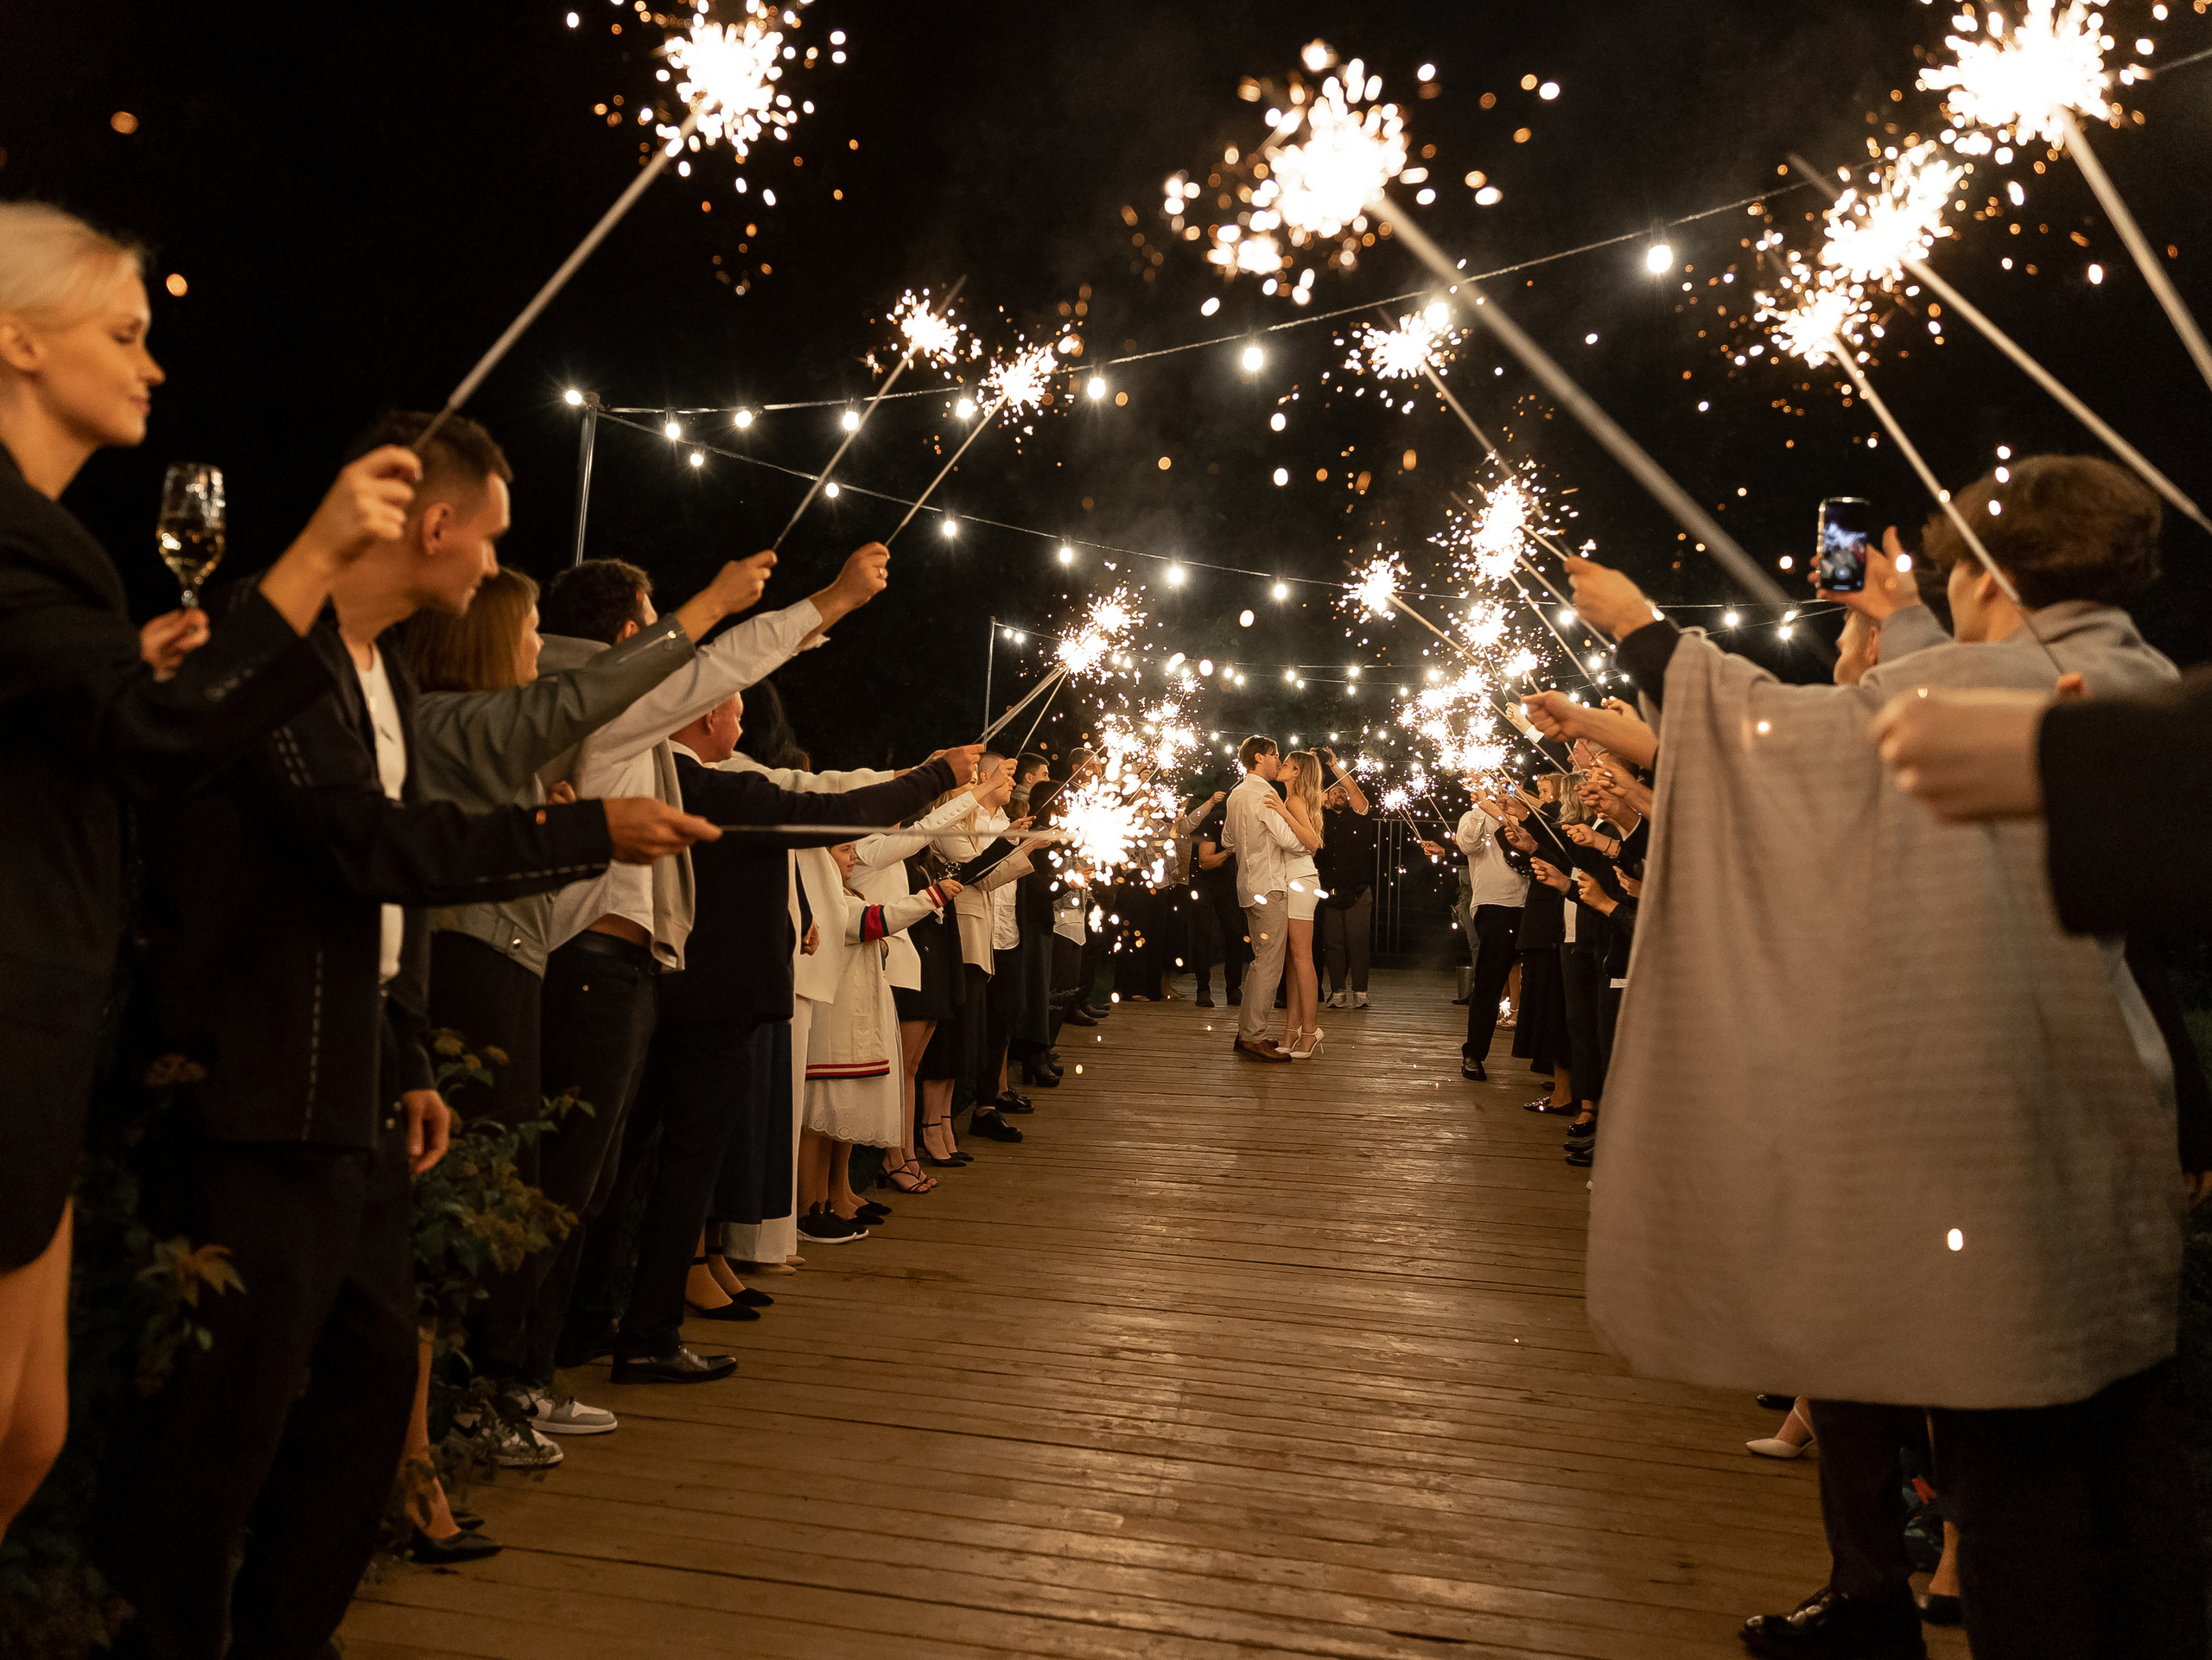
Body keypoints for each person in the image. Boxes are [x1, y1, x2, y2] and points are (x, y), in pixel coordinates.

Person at [1547, 455, 2203, 1660]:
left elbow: (1789, 740)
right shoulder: (2131, 675)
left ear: (1996, 583)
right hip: (2059, 1116)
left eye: (1956, 580)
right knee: (2070, 1446)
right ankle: (1872, 1590)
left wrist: (1640, 629)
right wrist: (1895, 618)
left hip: (2008, 1132)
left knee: (2037, 1490)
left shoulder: (2034, 680)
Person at [104, 407, 714, 1660]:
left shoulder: (384, 669)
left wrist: (413, 1050)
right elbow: (366, 847)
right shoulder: (283, 667)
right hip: (259, 1089)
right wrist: (583, 832)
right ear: (434, 525)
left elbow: (387, 909)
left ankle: (285, 1634)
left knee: (374, 1383)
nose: (495, 568)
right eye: (488, 538)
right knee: (231, 1420)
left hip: (361, 1088)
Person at [0, 203, 424, 1529]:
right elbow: (151, 742)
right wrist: (314, 555)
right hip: (9, 1024)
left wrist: (138, 669)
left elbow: (109, 727)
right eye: (123, 333)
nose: (153, 364)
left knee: (28, 1428)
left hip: (43, 1042)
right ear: (18, 341)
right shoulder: (10, 533)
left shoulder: (45, 547)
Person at [401, 550, 772, 1460]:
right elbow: (700, 670)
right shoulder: (520, 719)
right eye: (524, 632)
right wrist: (753, 602)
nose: (536, 647)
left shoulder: (534, 739)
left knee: (575, 1182)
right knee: (537, 1186)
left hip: (547, 960)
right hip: (526, 965)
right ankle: (489, 1386)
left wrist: (561, 824)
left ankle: (515, 1378)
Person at [537, 546, 886, 1368]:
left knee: (597, 1175)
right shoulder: (599, 703)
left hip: (619, 968)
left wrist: (819, 621)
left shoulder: (593, 708)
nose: (673, 637)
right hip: (595, 963)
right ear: (631, 633)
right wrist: (820, 600)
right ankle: (535, 1365)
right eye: (658, 620)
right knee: (574, 1181)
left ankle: (577, 1332)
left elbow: (722, 675)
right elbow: (720, 663)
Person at [567, 696, 974, 1379]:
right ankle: (646, 1331)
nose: (743, 721)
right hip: (708, 1001)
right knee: (679, 1165)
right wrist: (934, 776)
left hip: (678, 993)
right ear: (704, 720)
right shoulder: (697, 781)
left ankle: (594, 1318)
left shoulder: (688, 776)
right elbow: (825, 808)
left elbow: (823, 790)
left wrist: (925, 773)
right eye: (734, 708)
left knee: (632, 1159)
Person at [1223, 735, 1304, 1062]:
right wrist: (1298, 828)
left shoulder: (1236, 794)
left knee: (1261, 959)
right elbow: (1291, 842)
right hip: (1270, 885)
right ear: (1260, 757)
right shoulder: (1266, 793)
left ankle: (1248, 1030)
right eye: (1275, 756)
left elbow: (1228, 840)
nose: (1279, 761)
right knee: (1268, 963)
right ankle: (1252, 1036)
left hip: (1246, 884)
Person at [1456, 773, 1529, 1080]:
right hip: (1495, 905)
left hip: (1533, 904)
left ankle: (1547, 1058)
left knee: (1540, 983)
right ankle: (1474, 1054)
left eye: (1508, 785)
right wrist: (1482, 810)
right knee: (1489, 982)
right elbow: (1467, 845)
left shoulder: (1525, 815)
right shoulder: (1474, 816)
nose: (1502, 790)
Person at [1276, 751, 1329, 1058]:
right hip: (1293, 880)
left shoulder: (1293, 802)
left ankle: (1310, 1031)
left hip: (1301, 881)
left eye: (1286, 764)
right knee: (1292, 960)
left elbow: (1312, 844)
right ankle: (1291, 1029)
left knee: (1302, 958)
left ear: (1297, 772)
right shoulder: (1293, 799)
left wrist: (1283, 814)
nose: (1281, 766)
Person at [1313, 750, 1374, 1009]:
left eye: (1342, 793)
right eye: (1333, 793)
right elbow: (1307, 795)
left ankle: (1360, 992)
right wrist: (1312, 764)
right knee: (1333, 944)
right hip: (1329, 890)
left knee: (1358, 943)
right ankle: (1337, 992)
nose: (1339, 794)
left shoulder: (1358, 814)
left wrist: (1335, 766)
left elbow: (1353, 788)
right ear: (1325, 800)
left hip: (1358, 889)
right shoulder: (1318, 819)